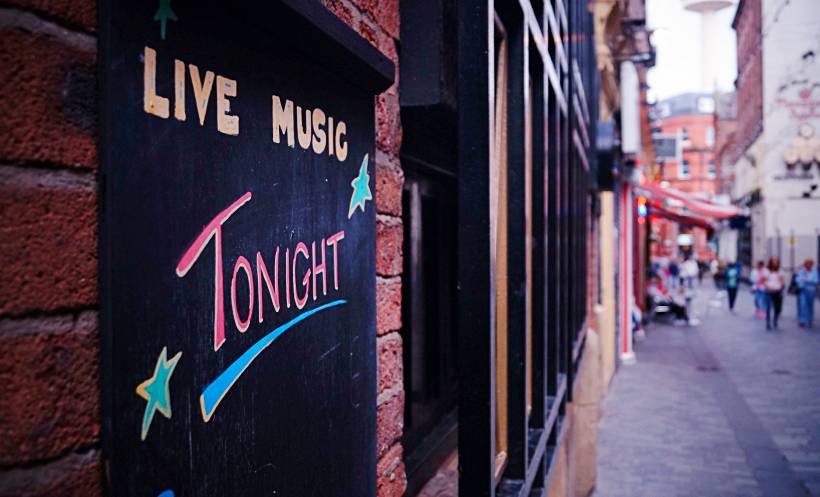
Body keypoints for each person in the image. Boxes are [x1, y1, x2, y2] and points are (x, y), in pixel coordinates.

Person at [762, 257, 786, 330]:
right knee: (768, 307)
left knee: (777, 307)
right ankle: (768, 322)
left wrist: (780, 286)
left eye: (776, 261)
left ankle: (775, 319)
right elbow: (764, 280)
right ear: (771, 262)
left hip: (777, 290)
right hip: (769, 290)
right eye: (773, 261)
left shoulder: (780, 271)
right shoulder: (766, 270)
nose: (775, 262)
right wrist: (768, 287)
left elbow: (782, 281)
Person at [796, 258, 818, 328]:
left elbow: (816, 280)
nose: (808, 265)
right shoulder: (802, 271)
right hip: (803, 290)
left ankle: (810, 321)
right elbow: (798, 279)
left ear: (812, 264)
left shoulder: (814, 271)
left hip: (811, 290)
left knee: (810, 306)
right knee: (803, 305)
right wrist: (803, 280)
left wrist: (807, 280)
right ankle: (802, 321)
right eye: (807, 263)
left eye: (810, 263)